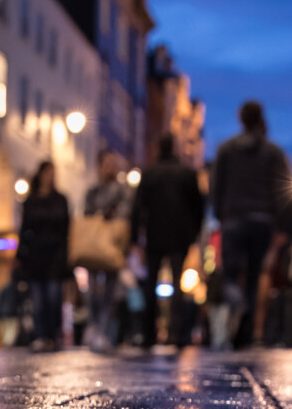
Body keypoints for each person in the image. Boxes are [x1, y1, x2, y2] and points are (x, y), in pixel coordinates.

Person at [210, 101, 292, 348]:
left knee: (230, 275)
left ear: (240, 118)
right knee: (255, 276)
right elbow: (282, 189)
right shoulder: (273, 152)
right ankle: (245, 334)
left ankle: (239, 305)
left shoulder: (226, 150)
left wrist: (221, 215)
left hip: (233, 218)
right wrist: (279, 221)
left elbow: (216, 186)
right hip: (262, 219)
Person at [132, 133, 205, 347]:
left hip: (154, 235)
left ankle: (149, 334)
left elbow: (137, 207)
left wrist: (135, 237)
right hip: (179, 236)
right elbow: (198, 207)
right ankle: (177, 334)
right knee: (177, 285)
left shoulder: (149, 173)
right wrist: (194, 234)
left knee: (150, 285)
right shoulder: (186, 173)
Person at [15, 161, 71, 351]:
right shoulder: (31, 200)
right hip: (36, 257)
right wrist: (20, 255)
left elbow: (66, 230)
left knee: (53, 297)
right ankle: (40, 334)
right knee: (38, 298)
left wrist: (66, 257)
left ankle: (53, 334)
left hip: (55, 256)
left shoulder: (61, 200)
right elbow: (24, 230)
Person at [82, 151, 133, 351]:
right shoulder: (92, 191)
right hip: (94, 243)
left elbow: (125, 212)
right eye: (107, 164)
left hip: (113, 244)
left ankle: (103, 330)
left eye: (113, 164)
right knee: (93, 291)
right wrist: (102, 215)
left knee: (111, 292)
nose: (110, 168)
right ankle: (94, 325)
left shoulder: (122, 190)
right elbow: (86, 213)